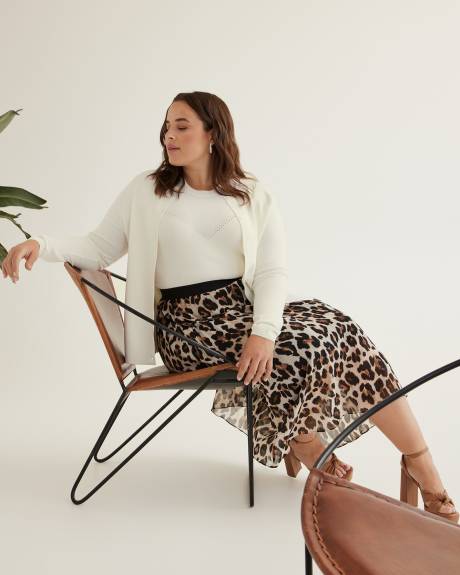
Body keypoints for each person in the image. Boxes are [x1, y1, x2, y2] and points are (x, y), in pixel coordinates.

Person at [2, 91, 457, 523]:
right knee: (301, 346)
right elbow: (99, 247)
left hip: (239, 311)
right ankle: (306, 443)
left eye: (182, 126)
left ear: (213, 134)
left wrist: (263, 331)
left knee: (338, 326)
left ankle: (420, 465)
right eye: (166, 127)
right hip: (186, 329)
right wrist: (40, 243)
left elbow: (272, 271)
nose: (169, 135)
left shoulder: (249, 192)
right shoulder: (147, 190)